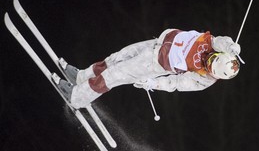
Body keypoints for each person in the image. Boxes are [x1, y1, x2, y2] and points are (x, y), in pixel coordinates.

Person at [56, 28, 241, 109]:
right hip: (158, 43)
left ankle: (77, 97)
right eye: (212, 59)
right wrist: (232, 46)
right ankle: (82, 77)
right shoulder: (217, 46)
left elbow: (176, 83)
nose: (207, 61)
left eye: (210, 67)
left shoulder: (204, 79)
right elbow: (222, 41)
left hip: (155, 63)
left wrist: (154, 83)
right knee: (115, 58)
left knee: (114, 75)